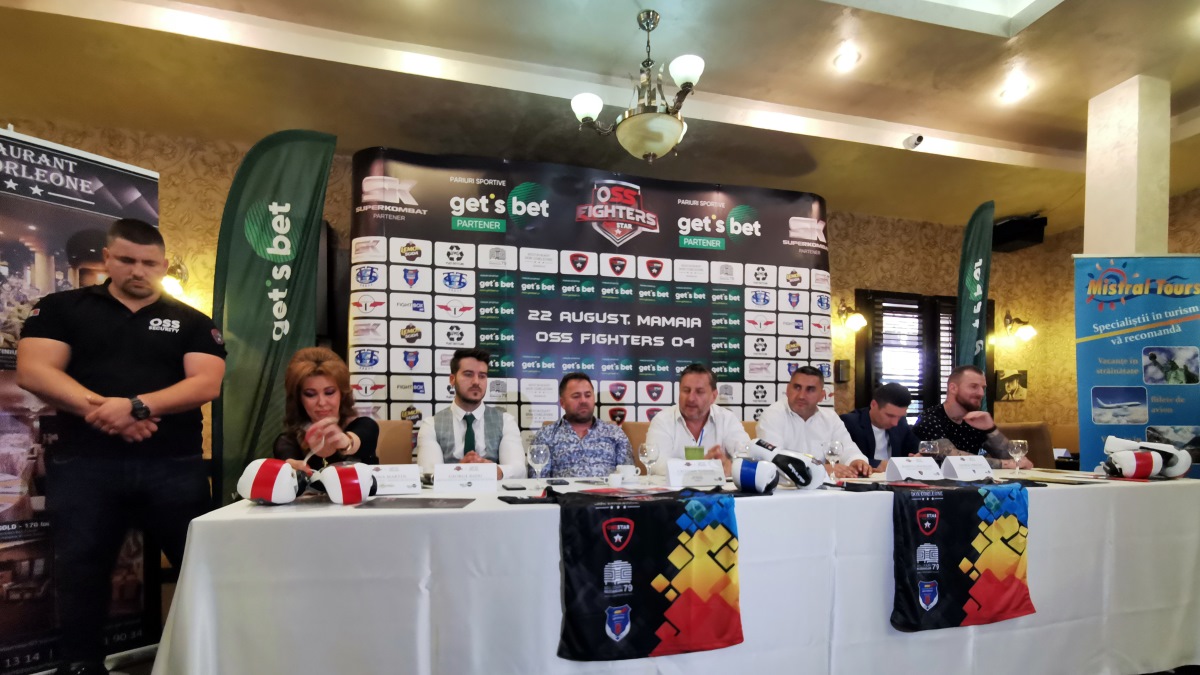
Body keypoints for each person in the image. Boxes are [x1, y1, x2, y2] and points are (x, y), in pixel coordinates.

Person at [16, 218, 226, 675]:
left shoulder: (192, 321)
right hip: (86, 464)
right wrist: (110, 412)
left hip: (173, 465)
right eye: (127, 260)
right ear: (108, 259)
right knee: (80, 571)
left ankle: (212, 659)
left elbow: (206, 384)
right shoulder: (62, 307)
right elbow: (34, 371)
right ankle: (81, 665)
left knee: (200, 566)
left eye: (149, 263)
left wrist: (135, 406)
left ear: (163, 266)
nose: (138, 271)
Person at [415, 348, 523, 479]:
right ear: (452, 379)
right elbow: (428, 474)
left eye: (482, 376)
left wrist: (493, 470)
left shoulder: (506, 421)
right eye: (468, 374)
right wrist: (460, 471)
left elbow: (519, 470)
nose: (476, 381)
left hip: (494, 492)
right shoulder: (431, 425)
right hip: (450, 492)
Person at [273, 347, 379, 474]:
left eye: (329, 392)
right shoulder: (286, 442)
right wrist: (290, 469)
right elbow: (288, 460)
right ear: (298, 398)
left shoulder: (365, 426)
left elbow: (359, 439)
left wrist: (345, 442)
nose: (322, 402)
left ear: (342, 394)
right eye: (310, 394)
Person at [757, 366, 870, 478]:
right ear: (787, 390)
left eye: (810, 389)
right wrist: (819, 469)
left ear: (822, 396)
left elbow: (847, 447)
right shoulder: (772, 415)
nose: (801, 396)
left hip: (822, 486)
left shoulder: (830, 417)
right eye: (797, 387)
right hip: (784, 486)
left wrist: (856, 461)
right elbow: (774, 459)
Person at [913, 365, 1032, 470]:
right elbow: (952, 457)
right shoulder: (930, 418)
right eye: (974, 386)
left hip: (973, 483)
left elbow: (1014, 458)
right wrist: (1005, 464)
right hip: (936, 485)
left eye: (983, 388)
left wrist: (990, 429)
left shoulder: (975, 420)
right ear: (953, 388)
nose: (981, 393)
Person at [644, 363, 752, 476]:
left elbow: (748, 456)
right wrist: (703, 466)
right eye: (686, 390)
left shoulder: (727, 419)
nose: (691, 398)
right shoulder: (662, 420)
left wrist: (731, 466)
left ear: (713, 396)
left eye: (699, 392)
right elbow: (656, 464)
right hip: (675, 488)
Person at [528, 372, 632, 478]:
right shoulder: (545, 435)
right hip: (563, 489)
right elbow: (537, 480)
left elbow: (629, 478)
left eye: (588, 395)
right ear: (562, 403)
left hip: (606, 489)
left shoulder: (615, 433)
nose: (583, 400)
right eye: (576, 396)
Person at [840, 382, 920, 470]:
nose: (895, 423)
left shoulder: (901, 423)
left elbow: (914, 450)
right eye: (890, 415)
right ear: (873, 405)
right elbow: (842, 457)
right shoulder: (849, 423)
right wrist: (878, 464)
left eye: (900, 416)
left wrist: (917, 457)